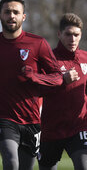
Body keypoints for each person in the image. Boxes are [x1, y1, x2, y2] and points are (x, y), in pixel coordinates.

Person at [0, 0, 63, 170]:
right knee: (10, 161)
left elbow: (58, 77)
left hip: (31, 118)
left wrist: (35, 77)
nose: (11, 16)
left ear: (24, 16)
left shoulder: (38, 43)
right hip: (2, 116)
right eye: (7, 12)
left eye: (16, 12)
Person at [38, 13, 87, 170]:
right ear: (59, 34)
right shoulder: (47, 59)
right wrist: (61, 80)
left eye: (76, 35)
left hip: (79, 127)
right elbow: (38, 89)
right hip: (51, 129)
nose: (72, 39)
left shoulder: (86, 58)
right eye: (68, 34)